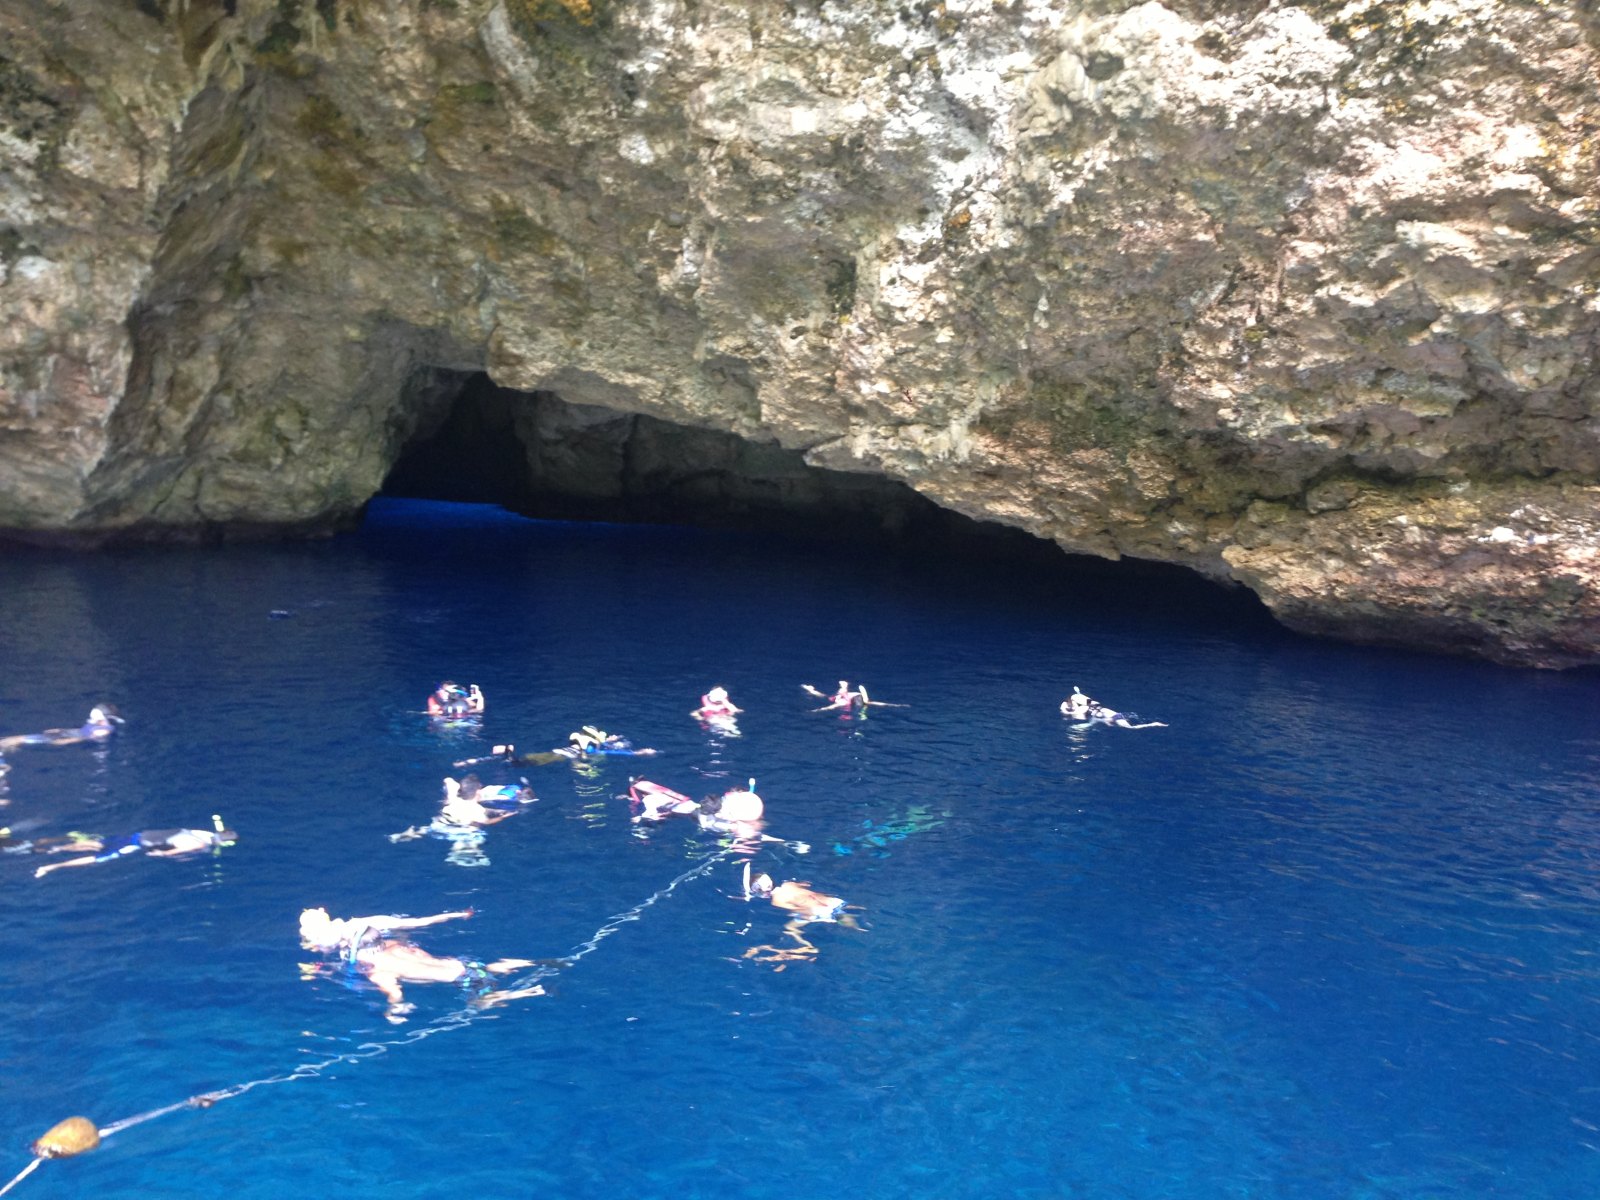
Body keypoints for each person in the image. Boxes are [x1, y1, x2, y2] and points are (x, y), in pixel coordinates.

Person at [297, 907, 544, 1023]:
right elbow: (414, 929)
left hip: (464, 980)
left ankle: (529, 992)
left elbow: (394, 993)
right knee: (481, 968)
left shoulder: (378, 970)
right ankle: (511, 964)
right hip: (465, 964)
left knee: (480, 1005)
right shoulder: (396, 945)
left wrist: (395, 1012)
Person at [34, 817, 236, 879]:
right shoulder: (201, 843)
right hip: (137, 844)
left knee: (99, 843)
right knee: (98, 858)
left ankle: (56, 849)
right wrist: (160, 855)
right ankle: (51, 867)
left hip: (137, 835)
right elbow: (177, 851)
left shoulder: (203, 833)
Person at [739, 863, 858, 966]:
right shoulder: (789, 884)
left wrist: (803, 916)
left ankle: (808, 946)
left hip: (822, 911)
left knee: (789, 928)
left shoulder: (776, 901)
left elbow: (800, 910)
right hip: (834, 901)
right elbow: (807, 884)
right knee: (854, 917)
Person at [389, 775, 536, 843]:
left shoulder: (453, 801)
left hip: (439, 825)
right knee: (475, 833)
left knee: (426, 829)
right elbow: (486, 822)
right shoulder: (477, 810)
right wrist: (503, 817)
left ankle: (400, 836)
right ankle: (467, 853)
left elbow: (448, 780)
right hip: (462, 831)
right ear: (478, 792)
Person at [0, 705, 124, 752]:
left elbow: (85, 737)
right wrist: (60, 730)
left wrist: (67, 741)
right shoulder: (96, 724)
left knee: (22, 739)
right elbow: (80, 731)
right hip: (66, 735)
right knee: (21, 739)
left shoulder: (104, 730)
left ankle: (5, 745)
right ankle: (6, 745)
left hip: (68, 739)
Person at [1059, 687, 1167, 729]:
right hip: (1102, 712)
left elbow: (1091, 721)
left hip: (1103, 714)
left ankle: (1155, 723)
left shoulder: (1108, 717)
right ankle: (1154, 723)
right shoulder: (1099, 713)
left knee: (1131, 728)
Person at [800, 682, 905, 713]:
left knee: (825, 697)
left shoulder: (840, 701)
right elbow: (829, 706)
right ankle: (896, 705)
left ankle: (810, 690)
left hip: (854, 700)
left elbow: (829, 708)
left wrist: (816, 711)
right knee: (869, 703)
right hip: (856, 698)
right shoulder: (840, 699)